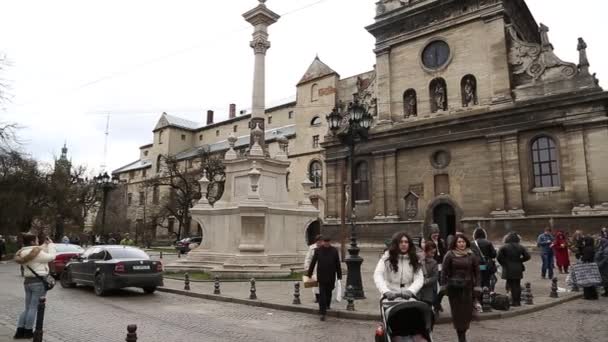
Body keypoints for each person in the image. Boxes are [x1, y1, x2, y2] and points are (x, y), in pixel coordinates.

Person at [13, 233, 56, 339]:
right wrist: (51, 245)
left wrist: (44, 245)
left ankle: (20, 331)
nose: (38, 242)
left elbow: (37, 250)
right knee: (33, 308)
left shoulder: (22, 252)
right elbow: (51, 257)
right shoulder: (37, 253)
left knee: (27, 308)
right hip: (38, 282)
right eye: (36, 240)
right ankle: (28, 331)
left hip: (27, 282)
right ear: (32, 242)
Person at [441, 234, 480, 342]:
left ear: (466, 243)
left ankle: (463, 332)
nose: (461, 244)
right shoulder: (449, 254)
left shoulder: (471, 255)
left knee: (466, 313)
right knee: (457, 314)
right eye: (459, 242)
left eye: (463, 242)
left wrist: (477, 286)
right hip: (454, 289)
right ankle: (461, 337)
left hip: (468, 288)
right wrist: (443, 285)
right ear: (455, 243)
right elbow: (444, 271)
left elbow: (477, 272)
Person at [374, 232, 424, 301]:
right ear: (396, 244)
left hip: (408, 295)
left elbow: (419, 278)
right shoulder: (387, 258)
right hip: (390, 295)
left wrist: (411, 290)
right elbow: (378, 274)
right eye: (401, 242)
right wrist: (385, 291)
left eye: (406, 242)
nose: (404, 244)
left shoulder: (414, 259)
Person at [306, 236, 342, 321]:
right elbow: (313, 262)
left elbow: (337, 264)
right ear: (323, 242)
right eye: (325, 242)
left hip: (331, 275)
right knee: (322, 294)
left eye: (328, 242)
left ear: (329, 242)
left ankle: (327, 305)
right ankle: (322, 313)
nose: (326, 243)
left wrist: (339, 275)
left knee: (329, 291)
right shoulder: (318, 251)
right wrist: (309, 274)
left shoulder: (334, 251)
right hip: (321, 276)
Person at [497, 232, 531, 307]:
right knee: (517, 284)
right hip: (518, 268)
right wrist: (520, 260)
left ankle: (511, 300)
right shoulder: (521, 247)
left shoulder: (504, 247)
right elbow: (528, 256)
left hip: (508, 268)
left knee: (510, 284)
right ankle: (517, 302)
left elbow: (498, 257)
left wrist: (504, 263)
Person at [471, 227, 497, 291]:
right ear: (484, 234)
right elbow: (493, 255)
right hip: (486, 266)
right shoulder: (488, 242)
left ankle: (478, 295)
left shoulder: (472, 243)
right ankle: (486, 294)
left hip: (476, 265)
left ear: (475, 235)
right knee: (486, 281)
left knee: (478, 281)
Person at [419, 240, 439, 319]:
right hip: (420, 290)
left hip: (429, 291)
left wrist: (426, 281)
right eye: (431, 253)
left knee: (427, 308)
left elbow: (435, 277)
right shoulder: (420, 261)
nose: (433, 255)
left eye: (434, 253)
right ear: (426, 251)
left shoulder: (434, 263)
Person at [304, 235, 322, 303]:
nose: (319, 243)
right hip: (314, 268)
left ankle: (322, 296)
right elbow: (308, 258)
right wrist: (307, 267)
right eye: (318, 241)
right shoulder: (312, 248)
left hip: (323, 268)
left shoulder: (324, 248)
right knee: (314, 284)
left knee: (322, 283)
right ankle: (317, 297)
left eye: (320, 241)